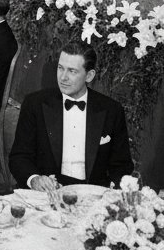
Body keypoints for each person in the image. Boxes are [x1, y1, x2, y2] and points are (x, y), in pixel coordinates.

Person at [9, 39, 134, 191]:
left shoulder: (111, 110)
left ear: (89, 76)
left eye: (72, 71)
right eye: (60, 68)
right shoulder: (34, 104)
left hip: (92, 194)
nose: (63, 77)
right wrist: (34, 179)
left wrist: (112, 190)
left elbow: (122, 166)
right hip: (49, 192)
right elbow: (19, 157)